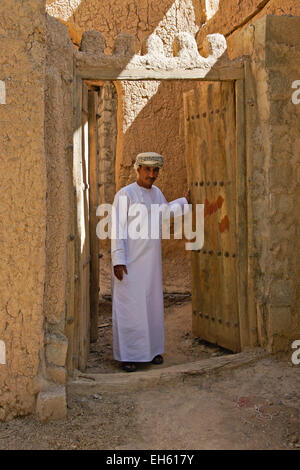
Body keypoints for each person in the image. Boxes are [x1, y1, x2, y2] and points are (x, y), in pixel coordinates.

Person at [111, 152, 190, 372]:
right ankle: (128, 356)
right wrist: (118, 259)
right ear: (137, 169)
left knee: (152, 306)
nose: (152, 175)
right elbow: (117, 229)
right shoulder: (125, 195)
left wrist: (185, 202)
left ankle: (151, 351)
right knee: (131, 308)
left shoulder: (156, 193)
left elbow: (164, 214)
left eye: (155, 170)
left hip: (151, 264)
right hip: (129, 262)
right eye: (147, 169)